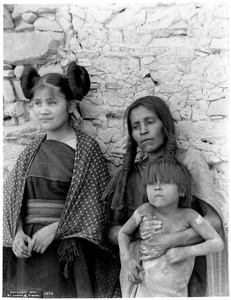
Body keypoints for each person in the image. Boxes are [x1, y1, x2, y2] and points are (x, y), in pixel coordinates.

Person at [3, 61, 120, 298]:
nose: (43, 110)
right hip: (28, 251)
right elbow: (12, 199)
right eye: (37, 103)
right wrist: (16, 233)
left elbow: (95, 207)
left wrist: (56, 230)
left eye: (52, 102)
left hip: (68, 250)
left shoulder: (86, 150)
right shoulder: (30, 152)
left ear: (70, 105)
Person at [103, 95, 228, 296]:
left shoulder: (189, 160)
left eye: (150, 122)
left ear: (165, 124)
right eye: (135, 127)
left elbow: (214, 221)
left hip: (186, 272)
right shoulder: (128, 174)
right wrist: (137, 233)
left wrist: (172, 240)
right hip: (144, 278)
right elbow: (110, 231)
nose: (143, 130)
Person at [118, 155, 224, 297]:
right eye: (151, 183)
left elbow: (217, 243)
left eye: (165, 182)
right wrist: (127, 261)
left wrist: (186, 252)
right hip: (144, 292)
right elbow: (123, 233)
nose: (157, 187)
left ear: (181, 191)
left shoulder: (189, 216)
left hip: (176, 294)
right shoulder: (145, 211)